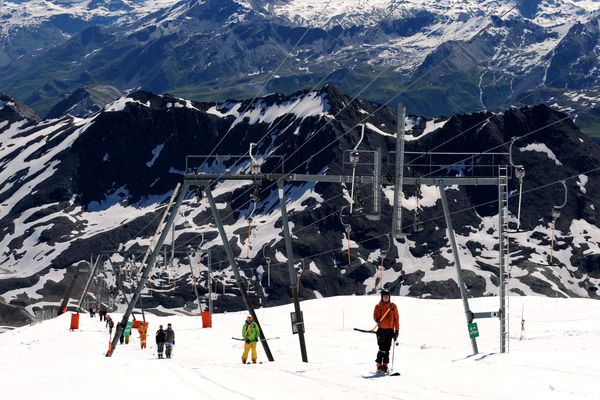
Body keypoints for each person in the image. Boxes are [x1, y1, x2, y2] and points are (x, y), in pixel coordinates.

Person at [373, 289, 399, 373]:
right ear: (382, 297)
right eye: (384, 297)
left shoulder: (393, 306)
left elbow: (396, 319)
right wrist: (377, 320)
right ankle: (379, 366)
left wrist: (397, 331)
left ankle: (385, 365)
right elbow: (375, 315)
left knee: (387, 349)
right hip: (381, 330)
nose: (386, 298)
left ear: (389, 297)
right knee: (381, 349)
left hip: (390, 330)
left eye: (387, 297)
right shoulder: (378, 306)